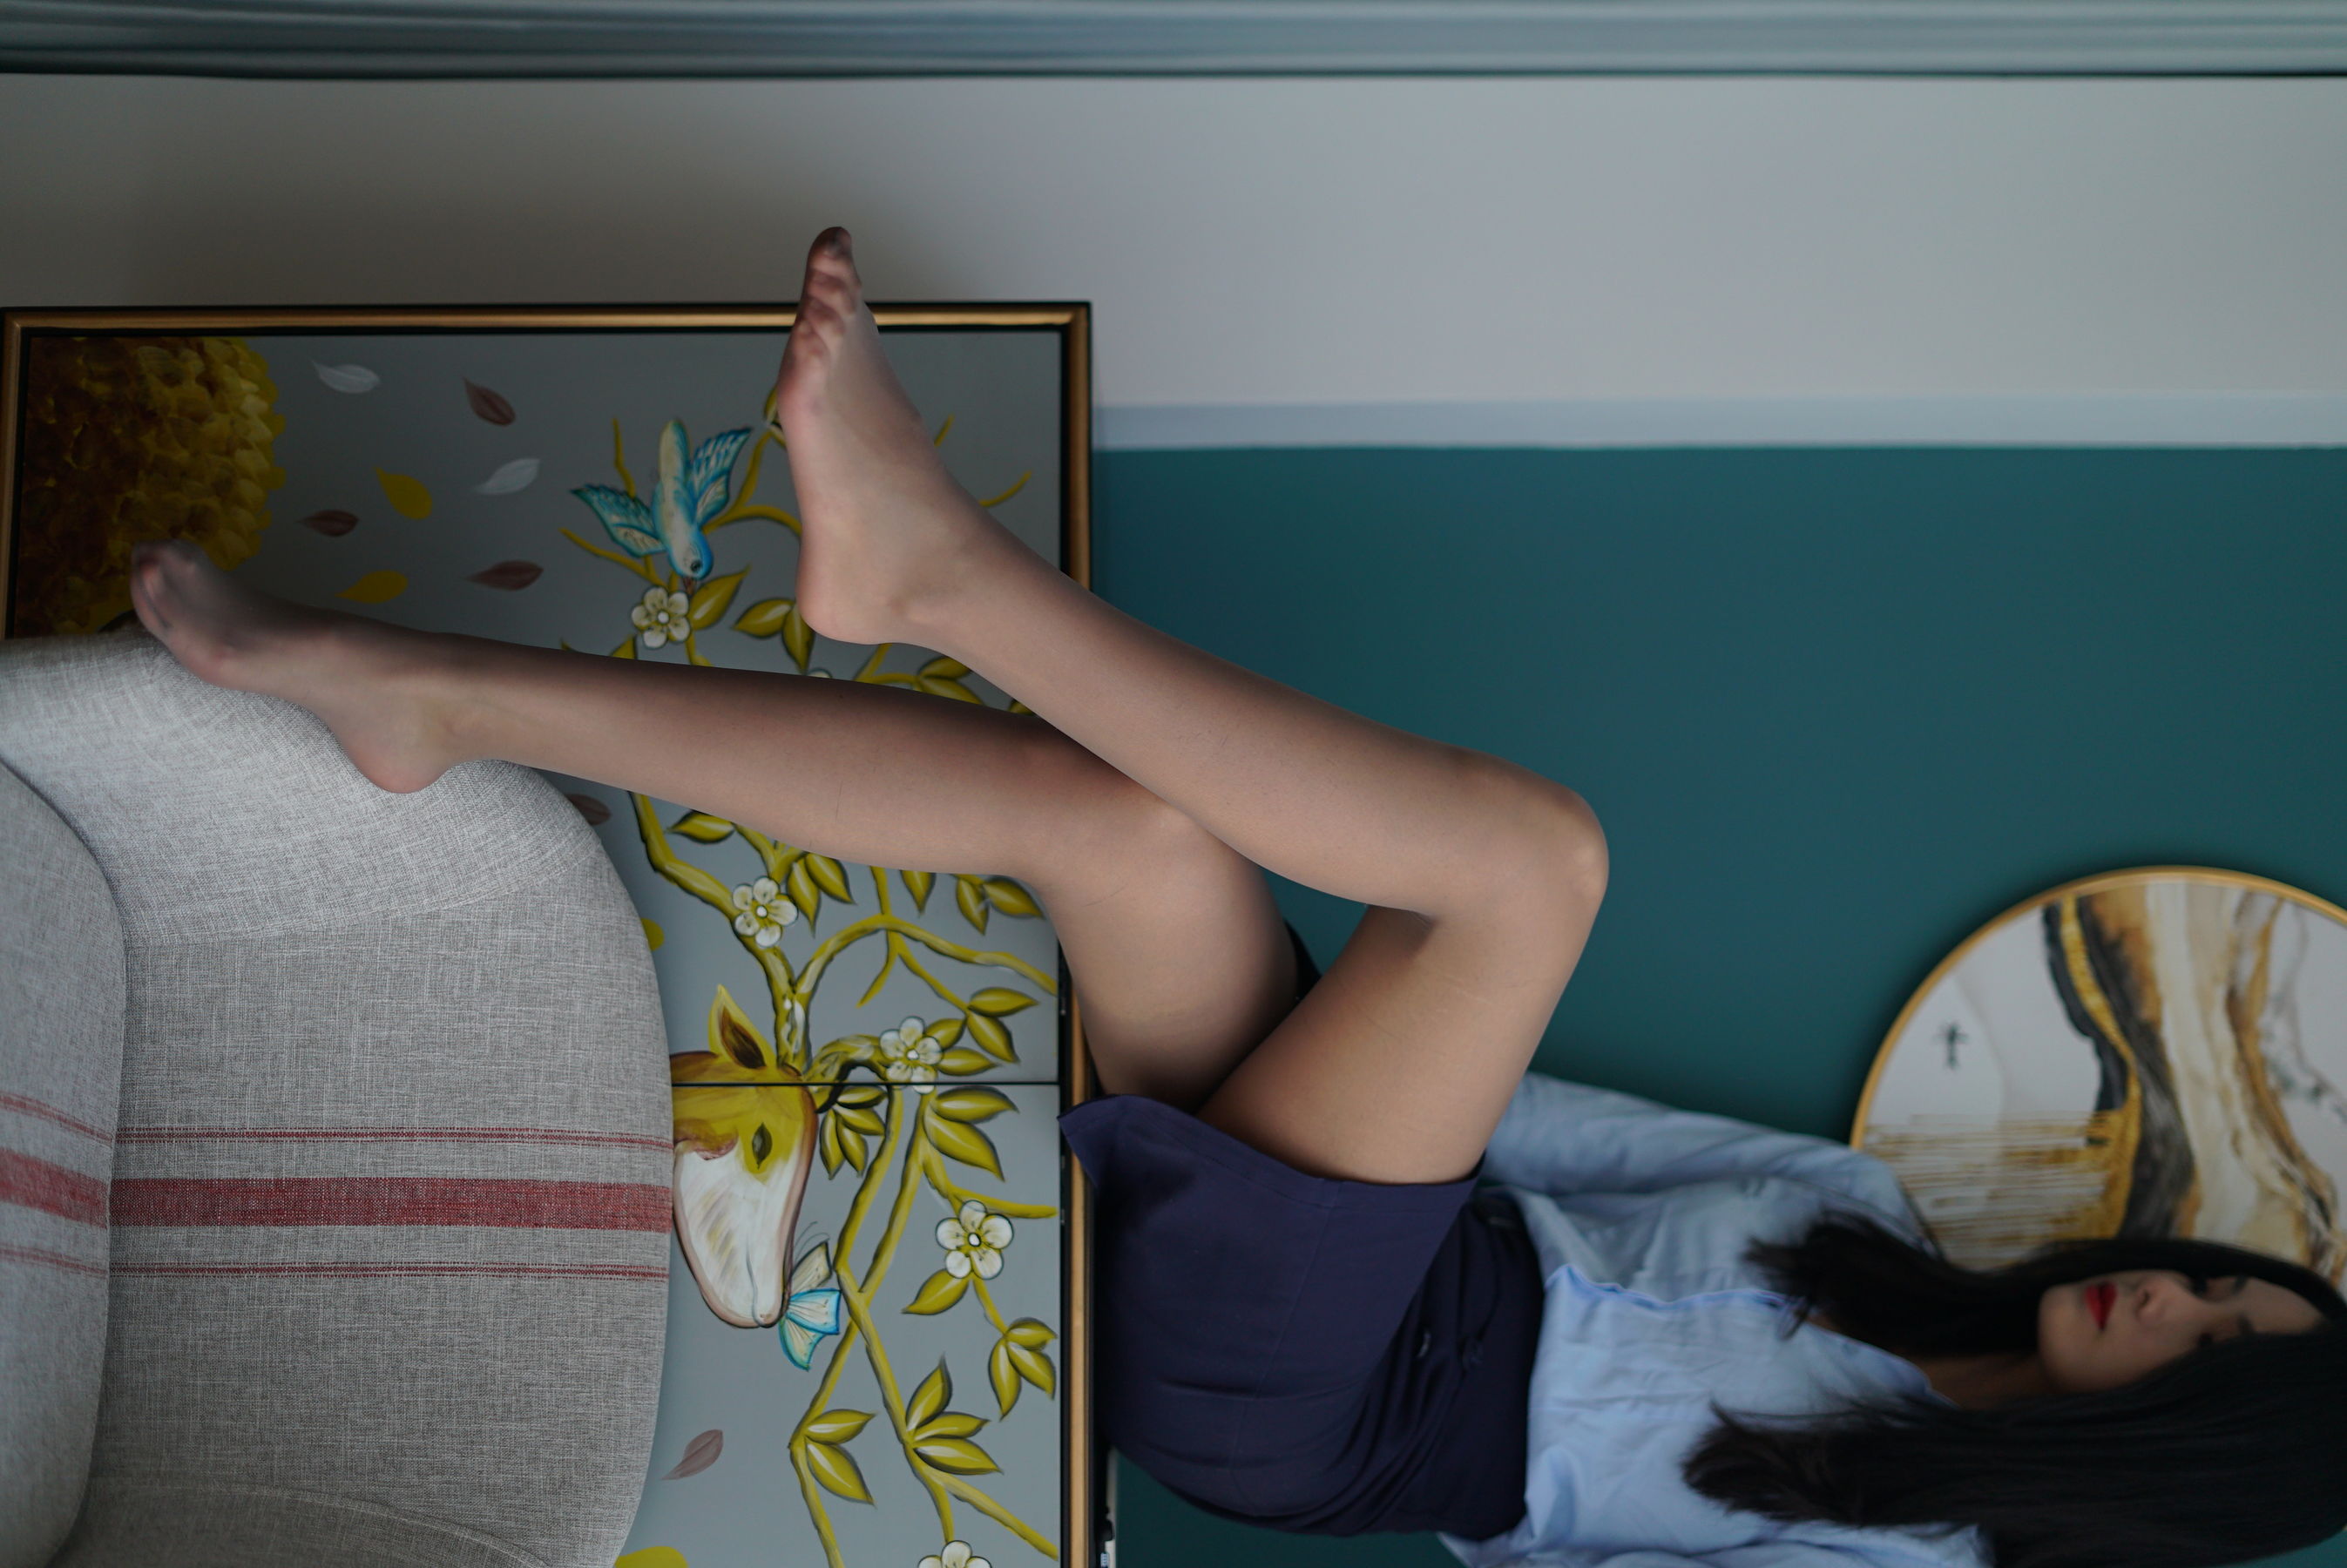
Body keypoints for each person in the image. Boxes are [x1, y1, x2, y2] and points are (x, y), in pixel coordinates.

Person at [125, 229, 2347, 1568]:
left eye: (2222, 1351)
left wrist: (1369, 1082)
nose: (2180, 1301)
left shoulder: (1914, 1550)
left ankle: (936, 571)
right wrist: (1322, 1057)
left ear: (2194, 1458)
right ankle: (430, 698)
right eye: (2221, 1282)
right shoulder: (1858, 1219)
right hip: (1383, 1216)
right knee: (1120, 834)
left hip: (1325, 1406)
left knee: (1535, 864)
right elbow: (1517, 1120)